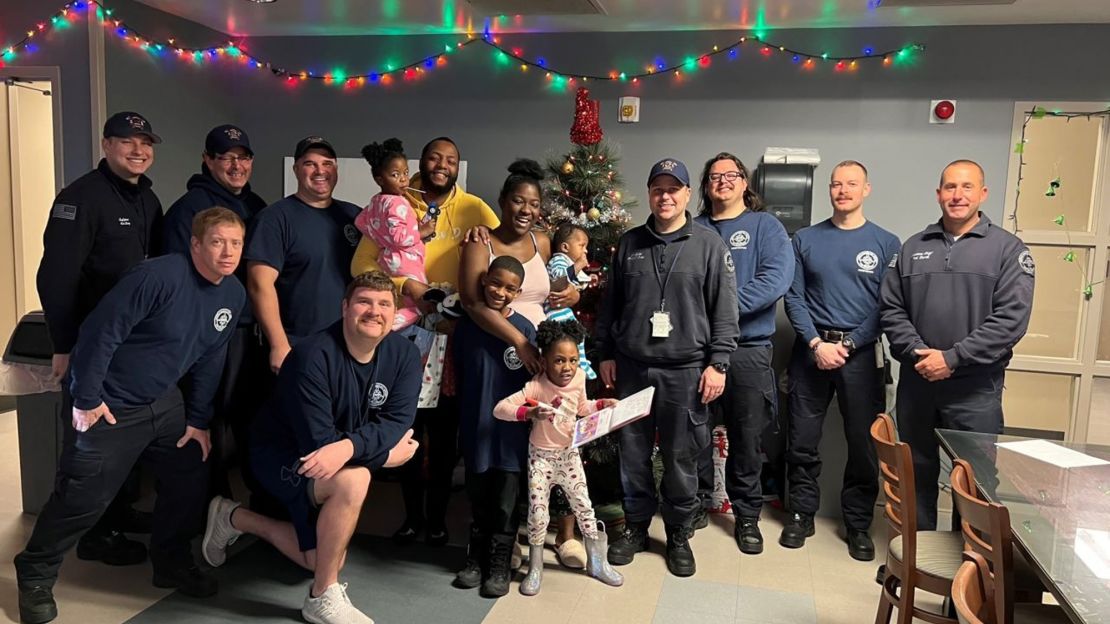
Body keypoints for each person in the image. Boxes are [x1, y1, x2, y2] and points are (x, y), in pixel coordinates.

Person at [16, 207, 248, 624]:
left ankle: (171, 561)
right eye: (217, 242)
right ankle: (34, 573)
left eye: (235, 243)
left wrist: (197, 420)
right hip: (107, 402)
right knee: (80, 499)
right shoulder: (156, 277)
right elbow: (100, 334)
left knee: (190, 469)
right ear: (195, 244)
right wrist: (85, 398)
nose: (227, 252)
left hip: (163, 401)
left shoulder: (232, 294)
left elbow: (210, 360)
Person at [202, 271, 421, 624]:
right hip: (284, 455)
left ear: (395, 314)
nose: (374, 311)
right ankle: (322, 596)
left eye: (384, 304)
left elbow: (398, 422)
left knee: (317, 557)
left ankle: (233, 517)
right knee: (355, 481)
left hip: (338, 454)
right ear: (345, 307)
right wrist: (382, 455)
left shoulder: (406, 355)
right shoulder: (310, 355)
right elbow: (319, 446)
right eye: (364, 302)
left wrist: (350, 447)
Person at [351, 137, 499, 549]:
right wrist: (412, 288)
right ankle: (412, 518)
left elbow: (506, 247)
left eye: (451, 159)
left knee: (445, 431)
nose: (442, 165)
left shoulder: (473, 207)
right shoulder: (394, 199)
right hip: (406, 337)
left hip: (453, 336)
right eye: (435, 157)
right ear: (421, 161)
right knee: (406, 429)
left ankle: (436, 520)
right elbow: (361, 264)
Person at [35, 110, 165, 569]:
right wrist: (63, 344)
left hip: (132, 345)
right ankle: (93, 536)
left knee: (125, 439)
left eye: (145, 143)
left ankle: (118, 513)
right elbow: (55, 278)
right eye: (128, 141)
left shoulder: (147, 200)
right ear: (106, 144)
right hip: (91, 346)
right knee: (89, 450)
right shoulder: (80, 198)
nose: (138, 151)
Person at [598, 158, 740, 578]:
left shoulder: (709, 245)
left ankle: (678, 533)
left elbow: (725, 311)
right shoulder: (629, 244)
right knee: (633, 453)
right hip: (632, 368)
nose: (665, 196)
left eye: (673, 189)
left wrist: (719, 363)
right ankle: (637, 528)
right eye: (658, 188)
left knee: (681, 456)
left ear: (687, 195)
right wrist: (604, 350)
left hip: (687, 371)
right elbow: (610, 305)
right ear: (649, 194)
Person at [880, 159, 1034, 531]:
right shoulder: (913, 247)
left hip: (975, 389)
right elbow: (890, 308)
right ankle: (915, 560)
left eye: (967, 187)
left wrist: (953, 358)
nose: (957, 195)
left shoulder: (1008, 250)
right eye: (950, 187)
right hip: (918, 384)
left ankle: (971, 573)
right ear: (938, 195)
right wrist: (919, 353)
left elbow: (1011, 320)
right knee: (915, 472)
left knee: (975, 481)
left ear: (983, 194)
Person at [458, 159, 589, 568]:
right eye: (518, 201)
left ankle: (509, 535)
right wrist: (519, 340)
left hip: (537, 360)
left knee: (525, 445)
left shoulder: (545, 243)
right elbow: (473, 303)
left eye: (534, 204)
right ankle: (489, 539)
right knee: (486, 435)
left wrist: (574, 297)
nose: (526, 210)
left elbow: (560, 286)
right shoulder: (480, 241)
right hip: (494, 351)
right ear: (502, 202)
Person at [782, 160, 900, 560]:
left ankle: (858, 524)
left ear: (866, 189)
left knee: (864, 445)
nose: (843, 190)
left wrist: (847, 345)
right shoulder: (805, 239)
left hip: (861, 356)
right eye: (836, 184)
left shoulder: (887, 243)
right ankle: (800, 513)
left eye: (852, 184)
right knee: (800, 440)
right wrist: (817, 343)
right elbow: (793, 297)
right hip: (810, 353)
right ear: (829, 190)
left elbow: (888, 305)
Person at [694, 152, 793, 555]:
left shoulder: (764, 226)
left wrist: (722, 308)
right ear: (704, 185)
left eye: (731, 175)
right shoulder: (692, 228)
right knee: (694, 433)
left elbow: (775, 280)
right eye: (714, 175)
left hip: (748, 351)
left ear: (744, 183)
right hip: (696, 351)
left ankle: (747, 516)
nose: (723, 181)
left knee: (747, 437)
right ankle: (697, 504)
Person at [163, 123, 268, 500]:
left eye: (243, 157)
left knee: (244, 414)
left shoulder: (256, 207)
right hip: (206, 332)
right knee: (204, 415)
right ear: (208, 160)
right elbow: (178, 282)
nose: (236, 165)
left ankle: (239, 502)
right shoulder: (188, 211)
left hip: (247, 331)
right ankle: (204, 504)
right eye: (226, 157)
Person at [493, 318, 623, 595]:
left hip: (569, 455)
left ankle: (597, 563)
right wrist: (528, 413)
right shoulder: (535, 387)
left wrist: (602, 404)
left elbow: (583, 406)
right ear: (544, 359)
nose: (567, 367)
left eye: (573, 360)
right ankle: (535, 568)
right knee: (538, 514)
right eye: (559, 361)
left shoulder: (577, 379)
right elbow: (500, 409)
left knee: (585, 509)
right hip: (540, 457)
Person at [452, 255, 536, 597]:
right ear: (484, 279)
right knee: (478, 495)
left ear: (517, 292)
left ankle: (500, 561)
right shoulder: (467, 322)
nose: (500, 292)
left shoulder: (525, 332)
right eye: (495, 283)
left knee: (506, 500)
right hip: (475, 426)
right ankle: (476, 557)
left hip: (511, 436)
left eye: (509, 288)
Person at [245, 136, 361, 374]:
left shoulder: (355, 217)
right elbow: (259, 284)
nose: (320, 170)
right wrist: (279, 344)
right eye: (310, 163)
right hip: (298, 346)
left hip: (351, 344)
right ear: (296, 169)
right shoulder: (275, 219)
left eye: (327, 163)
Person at [355, 137, 436, 330]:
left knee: (398, 300)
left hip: (387, 260)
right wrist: (421, 231)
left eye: (405, 173)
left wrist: (381, 238)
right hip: (405, 262)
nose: (403, 179)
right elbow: (400, 238)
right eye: (395, 174)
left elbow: (361, 222)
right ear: (379, 179)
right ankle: (391, 324)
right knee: (421, 304)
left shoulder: (375, 201)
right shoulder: (396, 202)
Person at [544, 223, 597, 380]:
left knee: (577, 335)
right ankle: (581, 365)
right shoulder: (559, 260)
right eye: (582, 246)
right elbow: (560, 278)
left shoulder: (567, 263)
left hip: (562, 309)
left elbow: (575, 280)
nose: (585, 251)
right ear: (565, 247)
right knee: (573, 337)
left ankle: (582, 364)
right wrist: (579, 265)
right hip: (554, 309)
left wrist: (588, 279)